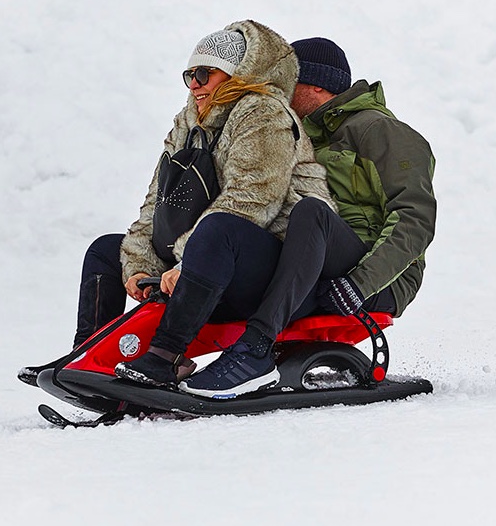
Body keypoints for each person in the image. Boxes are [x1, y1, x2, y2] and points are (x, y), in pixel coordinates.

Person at [71, 20, 335, 387]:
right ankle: (86, 358)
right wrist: (138, 265)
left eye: (204, 74)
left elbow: (253, 200)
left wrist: (186, 262)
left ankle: (164, 358)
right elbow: (158, 202)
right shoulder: (189, 123)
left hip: (273, 268)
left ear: (236, 76)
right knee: (105, 251)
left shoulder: (265, 113)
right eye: (189, 75)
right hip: (211, 261)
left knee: (219, 228)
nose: (193, 84)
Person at [178, 37, 437, 399]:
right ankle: (167, 351)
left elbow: (416, 219)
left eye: (288, 82)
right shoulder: (293, 135)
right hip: (309, 263)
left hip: (375, 275)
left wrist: (360, 284)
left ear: (318, 84)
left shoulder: (379, 131)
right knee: (230, 234)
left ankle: (255, 351)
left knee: (312, 210)